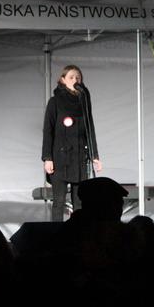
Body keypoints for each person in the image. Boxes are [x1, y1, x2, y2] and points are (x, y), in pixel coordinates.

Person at [42, 65, 102, 221]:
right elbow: (48, 130)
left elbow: (90, 127)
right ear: (63, 80)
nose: (75, 80)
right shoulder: (55, 101)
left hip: (79, 157)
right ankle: (56, 232)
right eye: (71, 77)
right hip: (59, 158)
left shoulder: (84, 100)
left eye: (78, 78)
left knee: (80, 203)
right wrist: (47, 158)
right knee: (59, 202)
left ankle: (78, 233)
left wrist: (94, 155)